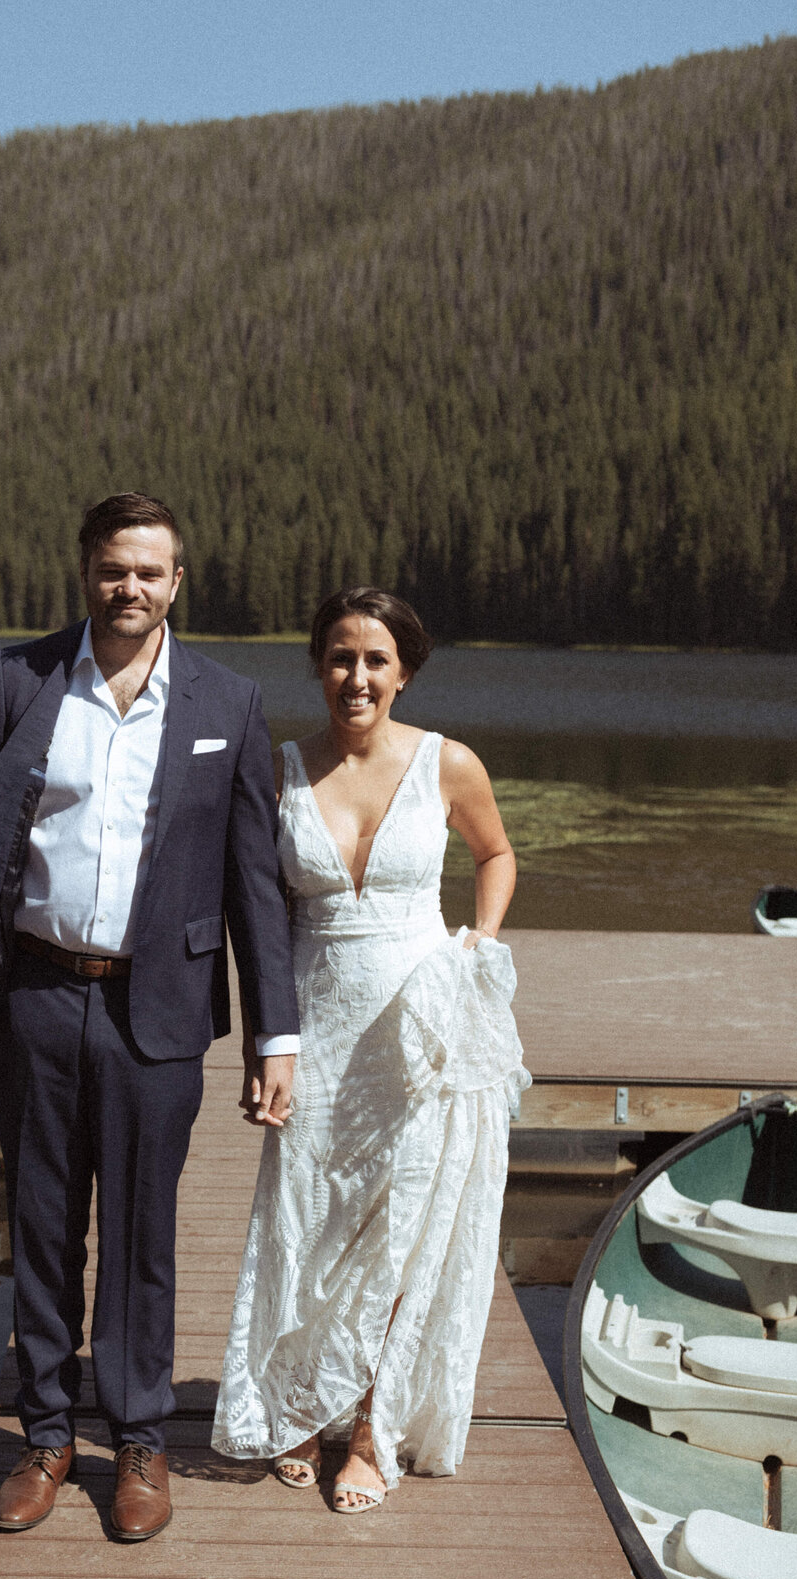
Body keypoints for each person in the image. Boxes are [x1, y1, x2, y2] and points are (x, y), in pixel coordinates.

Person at [0, 493, 299, 1542]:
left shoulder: (228, 703)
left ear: (178, 581)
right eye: (114, 569)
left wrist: (276, 1036)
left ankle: (138, 1437)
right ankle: (45, 1431)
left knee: (141, 1230)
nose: (130, 587)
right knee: (39, 1222)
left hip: (156, 1007)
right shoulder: (22, 680)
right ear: (86, 571)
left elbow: (256, 884)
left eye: (149, 572)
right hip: (34, 995)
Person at [212, 587, 530, 1512]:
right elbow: (258, 914)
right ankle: (301, 1406)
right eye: (341, 658)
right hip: (315, 1020)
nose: (357, 677)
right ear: (318, 665)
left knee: (402, 1225)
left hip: (418, 1025)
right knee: (308, 1218)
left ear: (405, 672)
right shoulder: (278, 770)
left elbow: (497, 855)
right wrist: (263, 1041)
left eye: (376, 661)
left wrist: (480, 939)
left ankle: (369, 1430)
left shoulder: (448, 763)